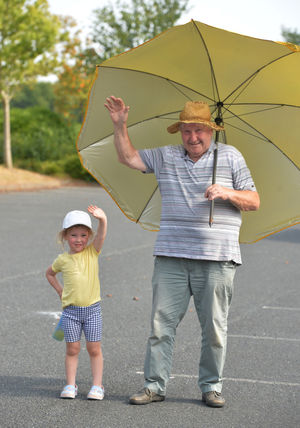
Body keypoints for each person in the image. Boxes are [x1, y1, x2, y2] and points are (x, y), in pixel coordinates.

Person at [104, 96, 260, 408]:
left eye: (199, 130)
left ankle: (211, 387)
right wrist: (120, 126)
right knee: (161, 326)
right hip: (171, 256)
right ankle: (154, 385)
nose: (193, 137)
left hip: (217, 259)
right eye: (187, 131)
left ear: (211, 131)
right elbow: (129, 158)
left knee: (214, 329)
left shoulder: (230, 157)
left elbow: (254, 200)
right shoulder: (166, 156)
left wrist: (226, 192)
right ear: (180, 132)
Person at [46, 205, 107, 400]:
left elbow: (101, 237)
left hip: (92, 311)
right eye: (73, 235)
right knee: (72, 349)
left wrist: (102, 220)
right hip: (71, 313)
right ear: (65, 236)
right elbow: (49, 274)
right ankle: (70, 385)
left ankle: (97, 386)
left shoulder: (92, 252)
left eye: (83, 235)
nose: (78, 239)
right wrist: (60, 290)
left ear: (88, 236)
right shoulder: (62, 260)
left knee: (94, 348)